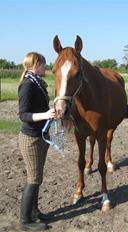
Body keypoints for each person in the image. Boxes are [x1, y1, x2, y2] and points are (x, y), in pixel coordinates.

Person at [18, 52, 56, 231]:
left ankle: (34, 211)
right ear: (36, 64)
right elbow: (23, 115)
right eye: (44, 64)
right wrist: (46, 115)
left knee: (37, 178)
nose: (46, 67)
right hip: (31, 139)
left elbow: (38, 107)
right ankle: (25, 220)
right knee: (33, 179)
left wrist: (51, 111)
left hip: (41, 136)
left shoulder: (37, 83)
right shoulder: (27, 85)